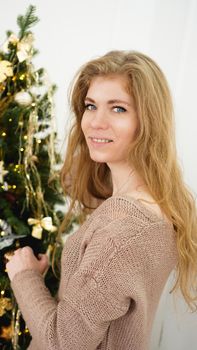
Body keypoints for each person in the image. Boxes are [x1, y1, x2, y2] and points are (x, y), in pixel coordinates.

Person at [6, 50, 197, 350]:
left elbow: (61, 342)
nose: (96, 122)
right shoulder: (146, 204)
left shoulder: (124, 233)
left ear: (148, 121)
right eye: (91, 106)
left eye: (118, 109)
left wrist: (25, 275)